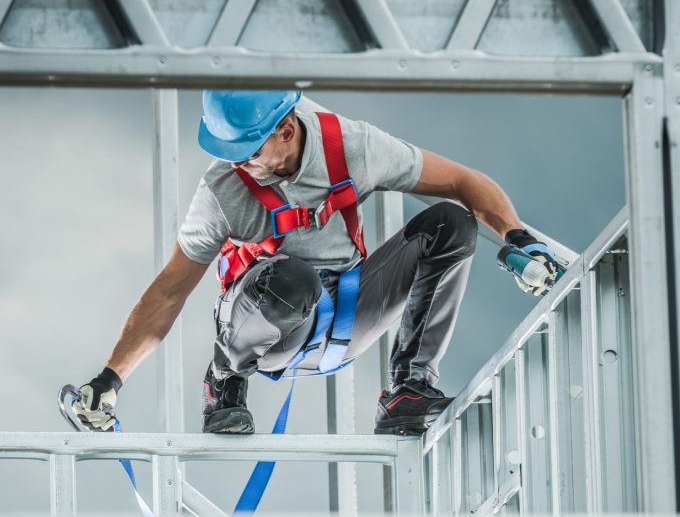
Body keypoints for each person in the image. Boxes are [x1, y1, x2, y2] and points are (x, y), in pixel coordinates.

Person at [72, 90, 561, 436]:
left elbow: (463, 180)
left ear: (286, 130)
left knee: (451, 223)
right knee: (292, 279)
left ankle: (408, 391)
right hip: (268, 325)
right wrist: (109, 381)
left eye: (248, 151)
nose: (236, 163)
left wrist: (520, 240)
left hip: (351, 311)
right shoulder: (221, 191)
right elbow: (170, 290)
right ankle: (224, 381)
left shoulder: (354, 148)